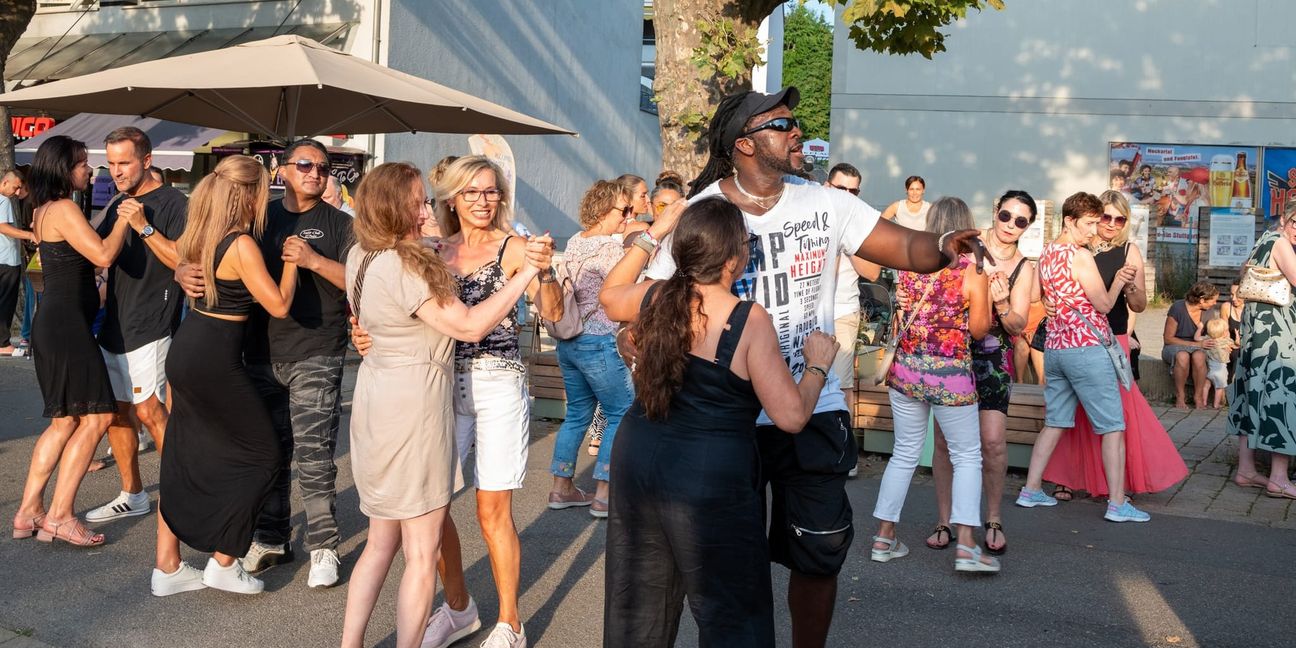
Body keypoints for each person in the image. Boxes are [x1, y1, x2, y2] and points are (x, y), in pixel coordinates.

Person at [644, 87, 983, 648]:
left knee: (820, 553)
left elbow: (901, 247)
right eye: (783, 123)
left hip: (813, 405)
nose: (797, 130)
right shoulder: (703, 211)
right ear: (745, 144)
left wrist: (946, 242)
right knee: (732, 562)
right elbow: (654, 299)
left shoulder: (826, 203)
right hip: (726, 418)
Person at [600, 196, 839, 647]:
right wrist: (818, 364)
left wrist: (652, 236)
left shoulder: (656, 295)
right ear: (734, 258)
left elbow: (609, 295)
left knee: (639, 600)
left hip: (640, 456)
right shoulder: (746, 318)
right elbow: (790, 415)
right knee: (731, 608)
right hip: (708, 473)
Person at [339, 163, 551, 647]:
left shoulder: (360, 256)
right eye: (418, 201)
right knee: (420, 550)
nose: (425, 209)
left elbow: (376, 313)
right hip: (417, 407)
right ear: (396, 207)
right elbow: (470, 327)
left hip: (375, 399)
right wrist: (525, 278)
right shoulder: (411, 263)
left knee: (379, 542)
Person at [176, 139, 355, 588]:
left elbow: (360, 279)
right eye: (305, 164)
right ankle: (271, 537)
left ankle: (323, 547)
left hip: (316, 349)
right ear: (283, 170)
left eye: (322, 167)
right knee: (269, 453)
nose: (315, 172)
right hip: (257, 354)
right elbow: (204, 248)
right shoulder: (259, 217)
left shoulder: (340, 223)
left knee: (314, 454)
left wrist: (313, 260)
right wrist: (182, 271)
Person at [426, 155, 561, 648]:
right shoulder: (436, 251)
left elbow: (554, 314)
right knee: (431, 509)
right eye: (471, 192)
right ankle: (459, 608)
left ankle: (511, 623)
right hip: (442, 384)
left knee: (491, 510)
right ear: (452, 199)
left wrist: (543, 274)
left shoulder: (515, 248)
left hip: (498, 381)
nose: (483, 200)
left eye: (490, 191)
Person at [156, 154, 299, 596]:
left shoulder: (200, 232)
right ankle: (224, 560)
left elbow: (177, 259)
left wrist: (178, 267)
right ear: (251, 194)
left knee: (184, 452)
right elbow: (277, 305)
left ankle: (167, 567)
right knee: (264, 455)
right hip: (216, 358)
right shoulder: (240, 243)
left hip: (189, 347)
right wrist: (293, 259)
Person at [12, 135, 132, 547]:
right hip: (66, 327)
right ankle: (61, 516)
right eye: (82, 163)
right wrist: (124, 220)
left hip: (54, 322)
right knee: (96, 416)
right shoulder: (63, 208)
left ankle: (29, 511)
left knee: (64, 420)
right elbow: (102, 255)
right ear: (64, 169)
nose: (89, 169)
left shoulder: (44, 209)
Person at [869, 197, 998, 573]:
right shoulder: (972, 272)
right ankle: (967, 546)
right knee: (967, 456)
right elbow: (978, 330)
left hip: (907, 372)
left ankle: (883, 536)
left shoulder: (911, 266)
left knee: (905, 452)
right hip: (951, 376)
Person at [1042, 190, 1187, 500]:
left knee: (1118, 415)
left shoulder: (1128, 251)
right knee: (1076, 415)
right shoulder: (1079, 246)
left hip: (1112, 336)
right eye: (1104, 217)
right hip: (1076, 340)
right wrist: (1045, 302)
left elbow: (1140, 304)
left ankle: (1118, 484)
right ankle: (1068, 477)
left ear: (1125, 221)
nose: (1109, 224)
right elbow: (1054, 286)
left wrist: (1130, 285)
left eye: (1118, 218)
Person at [1016, 192, 1149, 523]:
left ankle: (1031, 490)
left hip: (1057, 348)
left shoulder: (1047, 253)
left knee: (1056, 422)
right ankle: (1117, 504)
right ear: (1069, 221)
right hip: (1087, 348)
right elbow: (1104, 305)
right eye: (1090, 223)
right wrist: (1118, 281)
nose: (1094, 230)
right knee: (1113, 427)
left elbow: (1036, 295)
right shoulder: (1080, 256)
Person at [83, 128, 189, 526]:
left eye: (123, 162)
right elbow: (101, 255)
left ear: (146, 160)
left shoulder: (174, 203)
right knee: (117, 413)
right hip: (115, 321)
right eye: (110, 163)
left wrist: (144, 226)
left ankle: (183, 496)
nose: (115, 171)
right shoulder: (117, 202)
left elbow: (182, 259)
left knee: (149, 410)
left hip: (152, 320)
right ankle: (132, 494)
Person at [925, 190, 1038, 556]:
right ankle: (945, 519)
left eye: (1020, 221)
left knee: (991, 442)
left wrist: (1002, 301)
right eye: (1006, 216)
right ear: (996, 211)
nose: (1010, 225)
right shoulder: (966, 245)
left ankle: (992, 517)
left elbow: (1018, 324)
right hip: (953, 351)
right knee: (943, 442)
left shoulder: (1024, 267)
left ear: (1028, 226)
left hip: (993, 359)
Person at [546, 180, 634, 517]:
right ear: (603, 210)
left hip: (569, 342)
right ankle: (604, 494)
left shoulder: (574, 243)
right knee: (621, 412)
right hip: (599, 341)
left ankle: (560, 488)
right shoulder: (611, 251)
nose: (629, 216)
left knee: (577, 416)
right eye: (623, 210)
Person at [1228, 198, 1296, 498]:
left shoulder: (1265, 238)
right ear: (1285, 219)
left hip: (1257, 331)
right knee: (1282, 395)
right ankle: (1279, 478)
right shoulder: (1280, 242)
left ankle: (1246, 469)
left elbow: (1245, 271)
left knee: (1251, 393)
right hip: (1278, 333)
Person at [823, 163, 880, 398]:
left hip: (843, 312)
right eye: (840, 189)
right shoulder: (812, 212)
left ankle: (844, 434)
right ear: (826, 186)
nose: (846, 196)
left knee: (841, 384)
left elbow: (873, 273)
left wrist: (848, 236)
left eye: (853, 192)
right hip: (806, 313)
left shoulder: (861, 221)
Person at [1161, 281, 1221, 409]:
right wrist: (1195, 344)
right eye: (1213, 300)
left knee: (1199, 357)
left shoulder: (1209, 312)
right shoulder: (1178, 308)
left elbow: (1212, 334)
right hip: (1175, 345)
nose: (1215, 303)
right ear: (1202, 300)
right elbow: (1168, 338)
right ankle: (1180, 397)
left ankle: (1198, 397)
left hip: (1198, 347)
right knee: (1183, 356)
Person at [0, 168, 35, 354]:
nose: (16, 193)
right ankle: (3, 343)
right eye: (15, 188)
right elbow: (3, 227)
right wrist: (29, 234)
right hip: (6, 259)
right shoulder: (4, 200)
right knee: (6, 301)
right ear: (5, 182)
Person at [1202, 319, 1235, 408]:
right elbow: (1237, 345)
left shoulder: (1208, 340)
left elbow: (1196, 338)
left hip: (1209, 369)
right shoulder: (1227, 341)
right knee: (1219, 388)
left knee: (1205, 386)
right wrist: (1237, 337)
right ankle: (1216, 405)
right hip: (1221, 371)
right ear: (1224, 333)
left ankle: (1204, 402)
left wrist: (1199, 328)